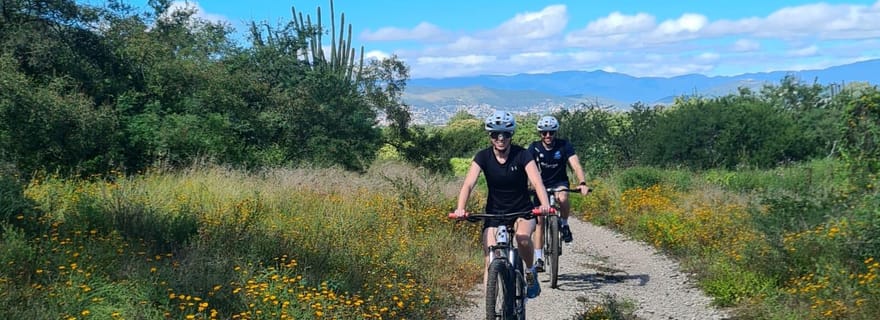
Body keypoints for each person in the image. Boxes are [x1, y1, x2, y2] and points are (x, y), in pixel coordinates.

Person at [452, 110, 552, 299]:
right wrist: (460, 208)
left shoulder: (522, 155)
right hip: (494, 213)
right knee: (490, 259)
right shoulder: (482, 157)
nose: (500, 138)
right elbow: (468, 184)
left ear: (510, 135)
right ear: (490, 136)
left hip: (522, 210)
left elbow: (538, 183)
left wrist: (545, 205)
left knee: (522, 239)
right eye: (495, 134)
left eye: (505, 134)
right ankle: (491, 305)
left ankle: (530, 273)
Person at [528, 115, 591, 272]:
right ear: (540, 134)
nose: (548, 136)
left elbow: (575, 165)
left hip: (559, 183)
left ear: (555, 132)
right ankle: (539, 258)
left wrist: (582, 183)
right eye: (544, 133)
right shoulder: (534, 147)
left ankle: (563, 224)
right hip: (540, 185)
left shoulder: (564, 145)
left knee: (562, 196)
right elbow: (527, 168)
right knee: (540, 222)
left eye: (551, 132)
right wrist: (526, 185)